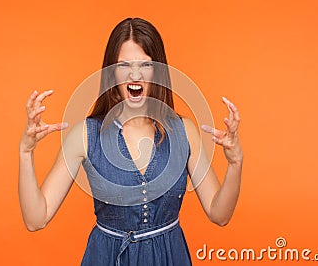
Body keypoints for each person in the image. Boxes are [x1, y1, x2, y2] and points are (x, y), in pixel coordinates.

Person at [19, 17, 243, 266]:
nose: (134, 74)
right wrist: (26, 152)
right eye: (124, 65)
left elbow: (219, 214)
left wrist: (235, 164)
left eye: (145, 65)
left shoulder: (184, 131)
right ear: (111, 72)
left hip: (170, 257)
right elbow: (35, 219)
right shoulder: (85, 135)